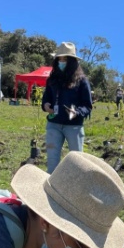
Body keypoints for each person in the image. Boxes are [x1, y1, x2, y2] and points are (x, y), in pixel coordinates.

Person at [42, 42, 94, 173]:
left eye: (64, 59)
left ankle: (75, 192)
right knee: (52, 165)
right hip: (53, 124)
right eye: (59, 59)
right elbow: (46, 98)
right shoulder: (52, 79)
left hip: (74, 127)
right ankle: (51, 192)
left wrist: (77, 112)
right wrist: (46, 105)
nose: (61, 62)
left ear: (72, 62)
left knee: (77, 164)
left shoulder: (82, 80)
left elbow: (87, 105)